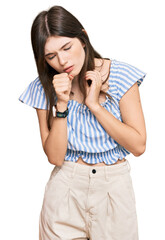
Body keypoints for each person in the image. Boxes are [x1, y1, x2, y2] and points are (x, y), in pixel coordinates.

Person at [19, 5, 146, 240]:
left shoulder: (121, 76)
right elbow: (55, 157)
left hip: (114, 190)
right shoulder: (44, 88)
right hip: (64, 190)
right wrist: (62, 104)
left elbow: (138, 146)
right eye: (51, 56)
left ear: (83, 39)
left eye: (67, 47)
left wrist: (95, 106)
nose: (62, 60)